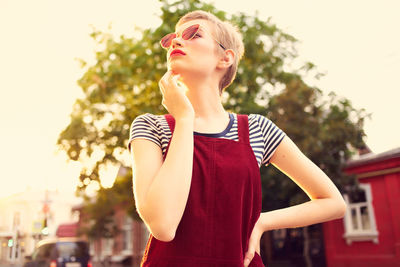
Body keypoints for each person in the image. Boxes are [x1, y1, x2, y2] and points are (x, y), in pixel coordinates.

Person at [128, 10, 346, 267]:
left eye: (193, 34)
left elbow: (333, 202)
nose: (176, 41)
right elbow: (163, 226)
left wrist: (263, 221)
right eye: (172, 37)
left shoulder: (257, 129)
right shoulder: (150, 127)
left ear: (225, 58)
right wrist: (185, 119)